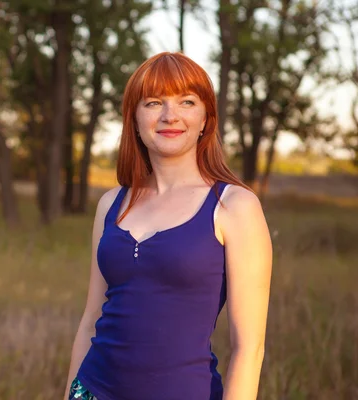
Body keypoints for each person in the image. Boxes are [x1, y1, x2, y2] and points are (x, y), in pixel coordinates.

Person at [63, 52, 273, 400]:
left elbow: (249, 349)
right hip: (93, 390)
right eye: (154, 102)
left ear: (206, 118)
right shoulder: (111, 204)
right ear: (134, 119)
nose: (169, 116)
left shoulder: (234, 206)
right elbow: (90, 319)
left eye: (187, 101)